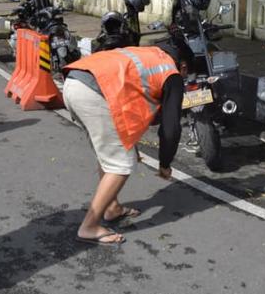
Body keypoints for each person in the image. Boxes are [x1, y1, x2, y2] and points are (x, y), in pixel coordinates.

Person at [62, 38, 193, 245]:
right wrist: (165, 164)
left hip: (73, 82)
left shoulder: (146, 54)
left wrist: (132, 143)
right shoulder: (172, 73)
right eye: (186, 74)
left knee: (108, 154)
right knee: (120, 165)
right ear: (183, 65)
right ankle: (89, 226)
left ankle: (112, 207)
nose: (184, 78)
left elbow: (128, 104)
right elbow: (171, 129)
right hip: (94, 93)